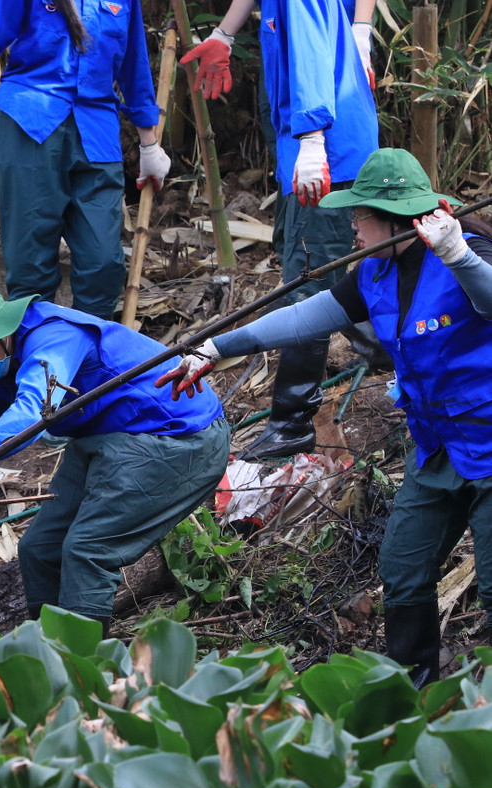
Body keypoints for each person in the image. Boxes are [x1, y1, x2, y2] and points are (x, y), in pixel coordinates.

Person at [158, 148, 492, 685]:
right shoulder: (373, 273)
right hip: (438, 450)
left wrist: (460, 257)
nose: (353, 226)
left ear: (397, 218)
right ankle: (415, 700)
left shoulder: (467, 251)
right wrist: (217, 347)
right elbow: (301, 319)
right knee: (403, 574)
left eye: (360, 216)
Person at [0, 283, 230, 629]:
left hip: (180, 437)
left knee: (87, 551)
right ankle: (47, 650)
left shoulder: (55, 336)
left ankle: (81, 669)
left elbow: (31, 414)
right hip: (110, 440)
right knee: (39, 549)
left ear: (0, 333)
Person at [180, 0, 379, 460]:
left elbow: (309, 53)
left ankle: (293, 420)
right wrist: (226, 33)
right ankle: (382, 346)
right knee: (304, 258)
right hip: (317, 144)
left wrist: (312, 139)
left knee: (307, 281)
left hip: (326, 149)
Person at [0, 0, 170, 320]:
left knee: (104, 263)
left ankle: (86, 353)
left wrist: (149, 146)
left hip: (97, 135)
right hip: (27, 125)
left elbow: (135, 69)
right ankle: (38, 357)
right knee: (30, 264)